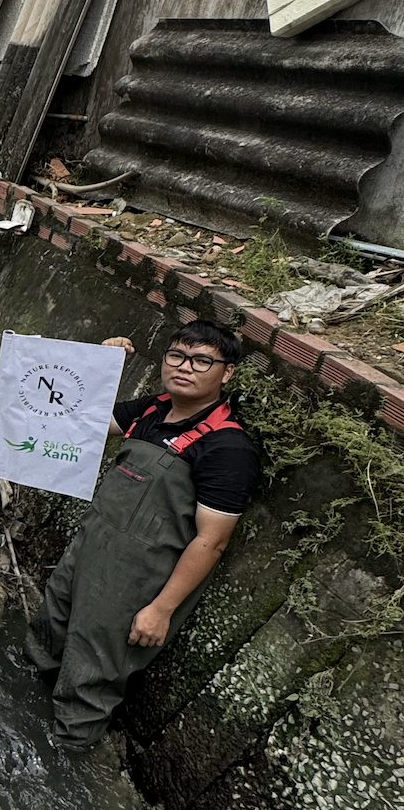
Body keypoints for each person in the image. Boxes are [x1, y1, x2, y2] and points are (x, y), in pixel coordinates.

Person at [24, 319, 260, 749]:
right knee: (50, 629)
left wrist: (161, 610)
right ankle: (20, 700)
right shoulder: (152, 410)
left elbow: (212, 541)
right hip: (88, 551)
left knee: (93, 671)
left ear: (226, 372)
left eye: (202, 360)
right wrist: (100, 365)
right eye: (177, 356)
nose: (185, 367)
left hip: (135, 583)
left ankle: (63, 753)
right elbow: (78, 421)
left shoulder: (228, 449)